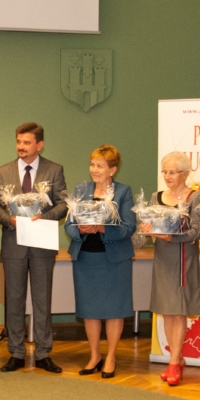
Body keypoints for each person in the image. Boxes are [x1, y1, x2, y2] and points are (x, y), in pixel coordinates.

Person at [0, 122, 68, 373]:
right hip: (13, 244)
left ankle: (44, 352)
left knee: (42, 300)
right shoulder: (3, 171)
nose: (21, 146)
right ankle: (16, 352)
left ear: (39, 145)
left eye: (26, 142)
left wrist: (44, 217)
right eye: (18, 142)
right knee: (13, 300)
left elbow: (63, 204)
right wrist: (9, 219)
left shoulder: (54, 170)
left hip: (42, 244)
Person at [64, 145, 136, 378]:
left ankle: (111, 357)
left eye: (100, 166)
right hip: (85, 258)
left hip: (114, 260)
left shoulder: (123, 192)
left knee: (114, 310)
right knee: (90, 310)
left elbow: (129, 227)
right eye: (92, 164)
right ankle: (94, 356)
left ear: (112, 169)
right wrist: (80, 229)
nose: (94, 170)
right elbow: (68, 224)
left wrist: (104, 228)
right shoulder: (81, 189)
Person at [140, 151, 200, 386]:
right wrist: (146, 229)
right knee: (167, 311)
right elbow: (148, 227)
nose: (168, 176)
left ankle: (175, 363)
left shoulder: (195, 198)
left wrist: (170, 237)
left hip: (183, 258)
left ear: (185, 174)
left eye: (173, 172)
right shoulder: (156, 197)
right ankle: (174, 359)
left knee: (179, 312)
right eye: (165, 172)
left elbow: (196, 232)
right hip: (163, 259)